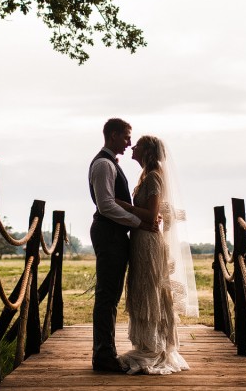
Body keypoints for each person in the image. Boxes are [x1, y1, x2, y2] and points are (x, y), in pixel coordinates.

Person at [115, 135, 199, 375]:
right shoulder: (146, 176)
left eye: (138, 145)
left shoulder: (153, 177)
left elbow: (152, 215)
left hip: (148, 241)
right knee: (144, 290)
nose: (132, 147)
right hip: (140, 238)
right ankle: (147, 343)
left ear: (148, 151)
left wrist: (124, 205)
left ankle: (154, 347)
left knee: (150, 291)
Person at [88, 118, 158, 372]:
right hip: (109, 234)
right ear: (113, 135)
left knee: (111, 295)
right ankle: (103, 356)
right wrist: (138, 222)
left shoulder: (110, 164)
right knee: (107, 296)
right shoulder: (104, 165)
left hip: (114, 234)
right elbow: (106, 205)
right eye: (127, 137)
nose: (129, 142)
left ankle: (106, 352)